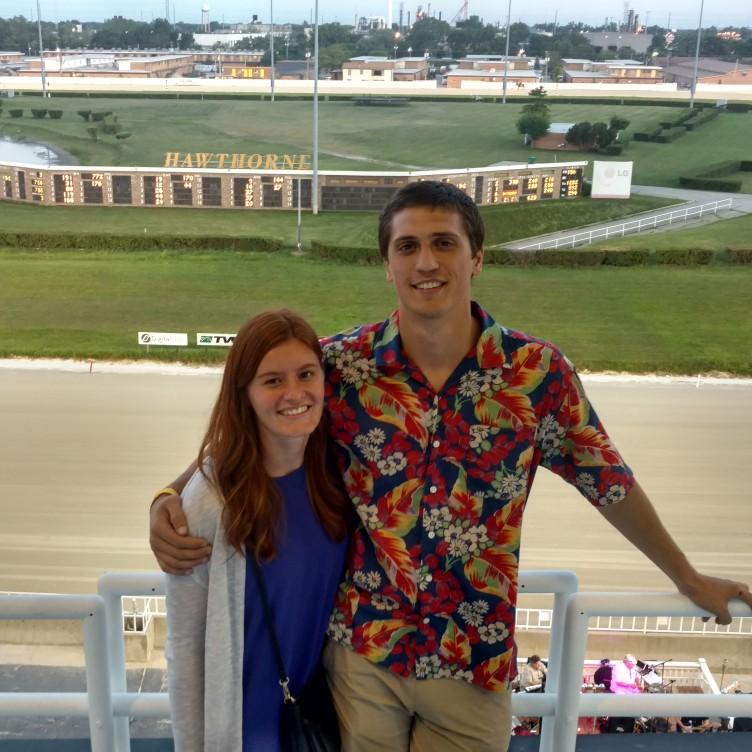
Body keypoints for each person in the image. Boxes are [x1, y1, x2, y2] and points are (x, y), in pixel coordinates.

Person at [150, 181, 752, 752]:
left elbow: (609, 482)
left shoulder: (536, 374)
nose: (426, 262)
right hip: (364, 657)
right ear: (387, 265)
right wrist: (169, 496)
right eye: (407, 246)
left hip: (473, 661)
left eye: (444, 243)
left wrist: (686, 575)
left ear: (476, 258)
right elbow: (254, 428)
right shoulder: (344, 367)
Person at [165, 309, 349, 751]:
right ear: (243, 393)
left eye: (306, 374)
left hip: (314, 721)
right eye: (272, 381)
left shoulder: (335, 474)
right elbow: (186, 650)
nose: (294, 393)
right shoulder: (211, 504)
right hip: (245, 733)